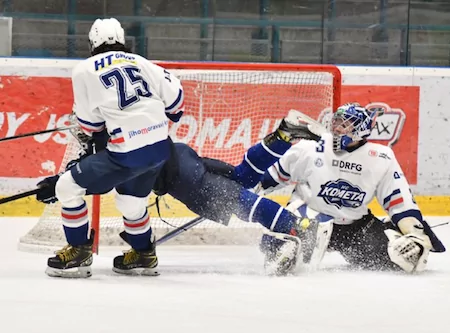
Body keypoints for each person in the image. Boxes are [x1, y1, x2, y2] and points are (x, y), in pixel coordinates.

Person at [37, 111, 320, 276]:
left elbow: (99, 179)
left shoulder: (106, 148)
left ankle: (294, 225)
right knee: (240, 178)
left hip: (179, 176)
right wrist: (60, 181)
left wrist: (61, 185)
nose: (81, 138)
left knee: (231, 200)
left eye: (82, 134)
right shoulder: (115, 130)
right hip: (182, 157)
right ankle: (284, 135)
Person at [37, 17, 185, 278]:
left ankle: (79, 253)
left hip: (127, 152)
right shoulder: (141, 62)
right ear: (121, 40)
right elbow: (176, 101)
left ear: (92, 42)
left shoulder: (83, 70)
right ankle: (143, 255)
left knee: (66, 187)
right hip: (160, 147)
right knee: (130, 201)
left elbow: (90, 125)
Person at [245, 103, 446, 275]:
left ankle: (390, 232)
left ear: (361, 130)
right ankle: (285, 240)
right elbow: (268, 179)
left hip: (355, 228)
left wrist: (414, 233)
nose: (337, 128)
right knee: (284, 259)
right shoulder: (308, 148)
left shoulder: (381, 157)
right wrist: (245, 195)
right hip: (309, 220)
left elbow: (399, 202)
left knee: (403, 260)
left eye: (345, 123)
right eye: (336, 122)